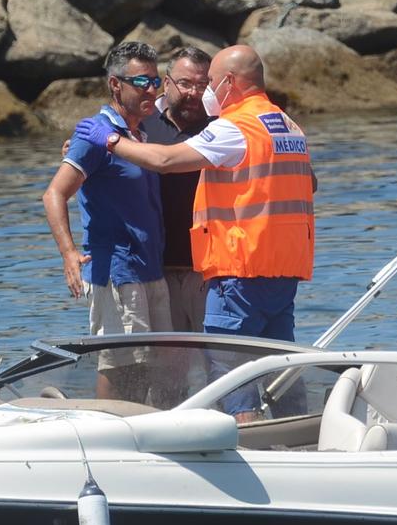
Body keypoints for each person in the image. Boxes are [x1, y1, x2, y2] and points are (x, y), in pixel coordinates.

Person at [82, 44, 314, 347]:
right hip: (281, 272)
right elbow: (305, 183)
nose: (204, 92)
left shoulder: (233, 128)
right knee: (277, 365)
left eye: (209, 83)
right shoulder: (288, 125)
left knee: (228, 369)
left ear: (228, 82)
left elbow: (164, 161)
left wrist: (109, 140)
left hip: (238, 272)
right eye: (188, 83)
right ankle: (291, 398)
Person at [41, 40, 171, 402]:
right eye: (142, 82)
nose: (152, 89)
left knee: (156, 366)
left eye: (156, 82)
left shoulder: (138, 133)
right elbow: (54, 194)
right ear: (116, 85)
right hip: (117, 269)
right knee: (121, 367)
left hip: (150, 268)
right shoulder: (93, 134)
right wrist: (68, 254)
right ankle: (106, 436)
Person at [139, 45, 213, 333]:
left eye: (203, 85)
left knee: (218, 359)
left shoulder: (224, 126)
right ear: (166, 82)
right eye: (185, 83)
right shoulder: (139, 127)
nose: (194, 92)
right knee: (168, 367)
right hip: (157, 270)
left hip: (209, 269)